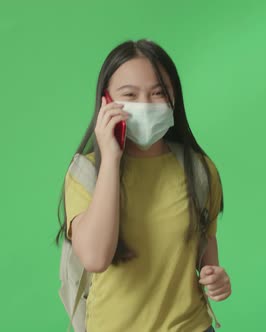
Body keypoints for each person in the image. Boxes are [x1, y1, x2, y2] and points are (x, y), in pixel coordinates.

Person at [55, 39, 231, 332]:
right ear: (106, 101)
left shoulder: (199, 169)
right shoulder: (86, 173)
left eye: (158, 93)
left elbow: (205, 246)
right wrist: (110, 159)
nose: (146, 105)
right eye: (130, 94)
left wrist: (217, 278)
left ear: (174, 98)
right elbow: (96, 257)